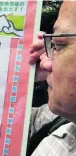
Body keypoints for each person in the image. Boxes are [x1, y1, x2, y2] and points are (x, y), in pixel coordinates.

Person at [27, 1, 76, 155]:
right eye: (52, 45)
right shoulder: (57, 119)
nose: (45, 63)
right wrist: (20, 77)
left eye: (59, 45)